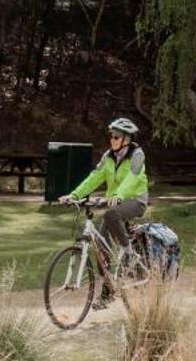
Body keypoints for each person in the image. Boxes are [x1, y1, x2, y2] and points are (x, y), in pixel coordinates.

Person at [60, 117, 151, 279]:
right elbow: (94, 178)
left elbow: (133, 177)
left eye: (116, 137)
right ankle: (107, 293)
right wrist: (74, 195)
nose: (112, 140)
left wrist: (118, 195)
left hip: (136, 200)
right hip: (115, 202)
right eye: (111, 136)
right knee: (102, 249)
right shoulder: (108, 157)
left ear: (126, 139)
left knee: (111, 214)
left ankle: (129, 253)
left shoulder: (137, 155)